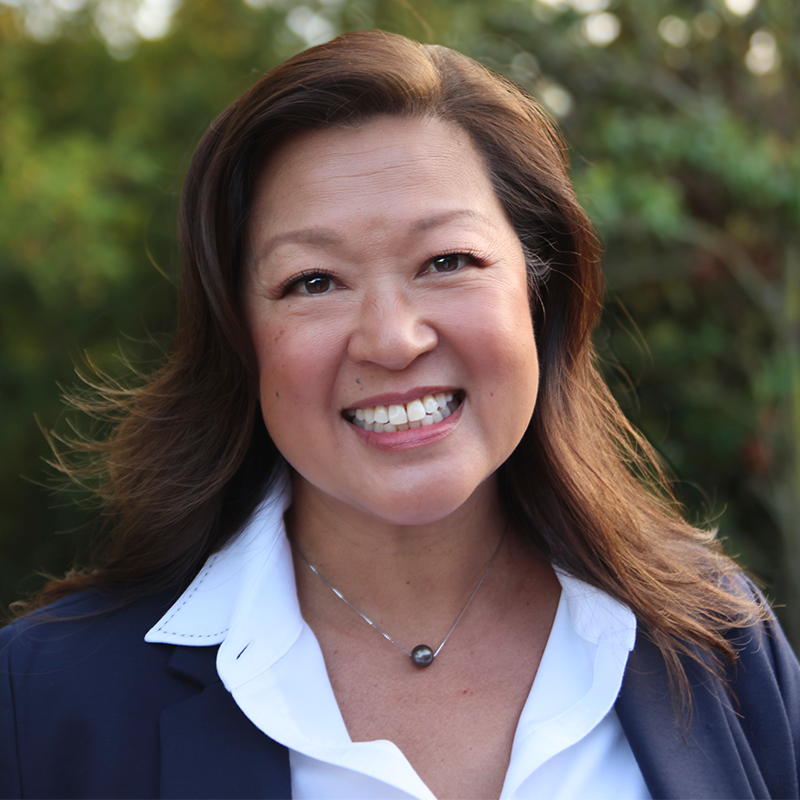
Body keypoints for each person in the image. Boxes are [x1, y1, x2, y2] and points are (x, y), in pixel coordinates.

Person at [1, 29, 798, 800]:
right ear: (242, 336)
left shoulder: (714, 640)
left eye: (447, 261)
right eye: (314, 281)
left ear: (540, 293)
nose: (391, 339)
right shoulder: (46, 701)